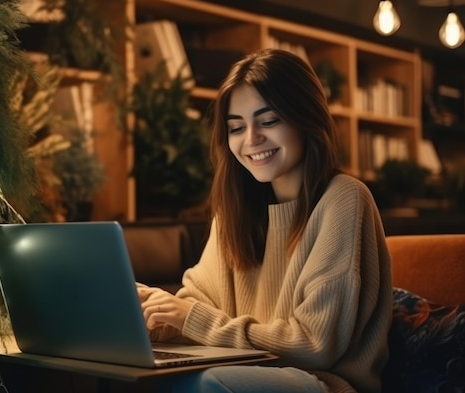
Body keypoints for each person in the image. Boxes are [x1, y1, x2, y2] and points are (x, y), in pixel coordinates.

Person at [137, 48, 393, 393]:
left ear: (306, 119)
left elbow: (315, 345)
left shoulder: (344, 198)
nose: (251, 139)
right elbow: (199, 305)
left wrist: (190, 317)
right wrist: (151, 312)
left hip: (325, 384)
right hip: (242, 373)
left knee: (208, 383)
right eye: (236, 127)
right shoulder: (233, 212)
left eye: (269, 121)